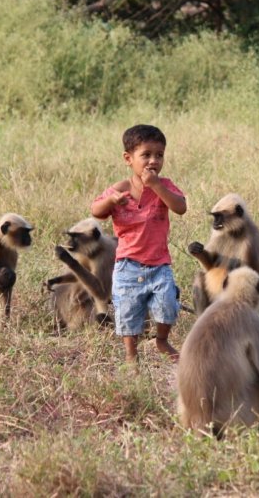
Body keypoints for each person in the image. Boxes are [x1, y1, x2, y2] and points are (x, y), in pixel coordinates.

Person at [91, 124, 187, 364]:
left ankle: (161, 340)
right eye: (146, 155)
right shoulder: (120, 189)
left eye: (159, 155)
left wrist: (156, 185)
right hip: (127, 265)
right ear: (128, 158)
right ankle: (131, 354)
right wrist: (111, 201)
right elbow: (96, 211)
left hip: (159, 264)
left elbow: (180, 207)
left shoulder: (164, 186)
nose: (153, 161)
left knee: (167, 306)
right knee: (127, 310)